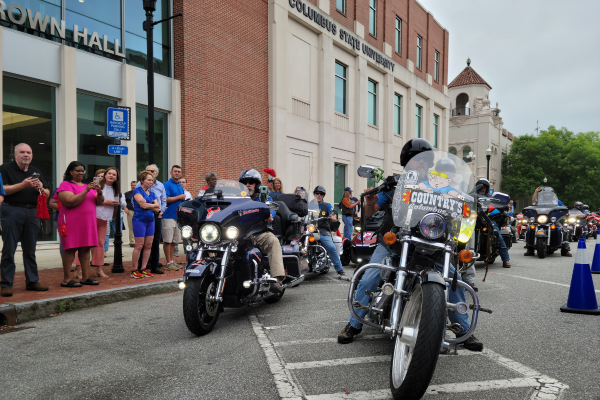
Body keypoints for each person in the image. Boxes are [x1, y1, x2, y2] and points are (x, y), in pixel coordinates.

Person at [337, 138, 483, 351]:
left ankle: (463, 328)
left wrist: (469, 203)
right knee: (369, 276)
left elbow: (457, 200)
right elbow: (372, 209)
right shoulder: (396, 183)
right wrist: (369, 203)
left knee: (454, 279)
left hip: (431, 244)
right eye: (416, 160)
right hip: (397, 242)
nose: (421, 163)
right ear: (407, 163)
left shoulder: (439, 182)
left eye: (425, 159)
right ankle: (354, 324)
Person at [0, 143, 49, 297]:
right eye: (22, 152)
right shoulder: (5, 168)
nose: (25, 155)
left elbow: (47, 192)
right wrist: (23, 185)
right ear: (15, 155)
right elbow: (3, 190)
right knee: (9, 249)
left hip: (32, 212)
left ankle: (32, 281)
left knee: (30, 249)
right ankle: (6, 284)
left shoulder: (36, 170)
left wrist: (41, 187)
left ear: (32, 155)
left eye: (28, 152)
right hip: (11, 210)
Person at [55, 161, 103, 287]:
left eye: (83, 170)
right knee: (70, 248)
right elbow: (70, 201)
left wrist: (99, 192)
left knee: (86, 248)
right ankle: (66, 279)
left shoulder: (87, 185)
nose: (81, 173)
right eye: (78, 170)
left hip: (87, 222)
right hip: (71, 222)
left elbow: (99, 202)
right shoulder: (66, 184)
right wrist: (87, 190)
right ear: (70, 172)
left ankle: (86, 277)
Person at [239, 169, 285, 293]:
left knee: (272, 241)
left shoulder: (263, 197)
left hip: (259, 233)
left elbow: (272, 209)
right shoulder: (237, 199)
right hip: (239, 235)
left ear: (257, 185)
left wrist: (270, 213)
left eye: (251, 182)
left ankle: (277, 279)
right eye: (245, 183)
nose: (248, 185)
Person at [91, 167, 126, 277]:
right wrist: (107, 202)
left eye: (114, 174)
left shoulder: (116, 189)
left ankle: (99, 269)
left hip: (104, 218)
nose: (111, 176)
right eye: (109, 173)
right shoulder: (98, 186)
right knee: (86, 244)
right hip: (92, 217)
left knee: (100, 244)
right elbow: (91, 200)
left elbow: (120, 203)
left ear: (117, 178)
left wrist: (117, 204)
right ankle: (79, 270)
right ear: (105, 175)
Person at [308, 186, 346, 277]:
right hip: (311, 230)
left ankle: (340, 270)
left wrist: (333, 216)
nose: (319, 195)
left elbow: (332, 211)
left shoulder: (327, 205)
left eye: (321, 194)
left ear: (323, 195)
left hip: (323, 231)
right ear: (314, 194)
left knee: (331, 248)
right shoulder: (310, 204)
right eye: (317, 193)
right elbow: (304, 213)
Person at [135, 164, 167, 274]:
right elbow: (139, 203)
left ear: (156, 174)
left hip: (156, 216)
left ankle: (154, 266)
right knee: (141, 243)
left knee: (154, 242)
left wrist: (160, 212)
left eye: (152, 171)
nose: (150, 172)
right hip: (141, 216)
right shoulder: (139, 186)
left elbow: (163, 201)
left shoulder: (160, 186)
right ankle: (140, 267)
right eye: (148, 170)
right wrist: (153, 206)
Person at [131, 171, 161, 278]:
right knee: (139, 245)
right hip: (139, 221)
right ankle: (134, 269)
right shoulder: (137, 191)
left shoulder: (152, 193)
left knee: (148, 245)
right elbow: (142, 205)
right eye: (149, 180)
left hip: (151, 221)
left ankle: (143, 268)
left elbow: (158, 207)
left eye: (152, 180)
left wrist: (151, 205)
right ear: (142, 180)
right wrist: (152, 205)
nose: (151, 182)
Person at [476, 178, 510, 268]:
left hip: (488, 220)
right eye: (481, 187)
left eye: (485, 187)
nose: (483, 189)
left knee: (497, 234)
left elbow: (496, 207)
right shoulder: (472, 197)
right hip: (473, 220)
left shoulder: (490, 199)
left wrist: (502, 206)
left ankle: (506, 259)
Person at [162, 165, 186, 271]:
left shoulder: (180, 186)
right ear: (171, 172)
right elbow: (165, 199)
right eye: (175, 171)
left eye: (179, 171)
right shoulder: (166, 185)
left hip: (178, 217)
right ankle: (168, 262)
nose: (177, 173)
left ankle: (171, 261)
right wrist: (180, 197)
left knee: (173, 241)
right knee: (167, 240)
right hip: (168, 215)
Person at [124, 181, 136, 247]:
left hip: (139, 211)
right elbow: (122, 202)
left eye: (135, 185)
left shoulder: (140, 193)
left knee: (139, 226)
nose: (134, 186)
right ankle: (132, 242)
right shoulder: (127, 194)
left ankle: (138, 241)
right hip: (130, 211)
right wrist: (125, 209)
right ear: (131, 186)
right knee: (131, 227)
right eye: (132, 185)